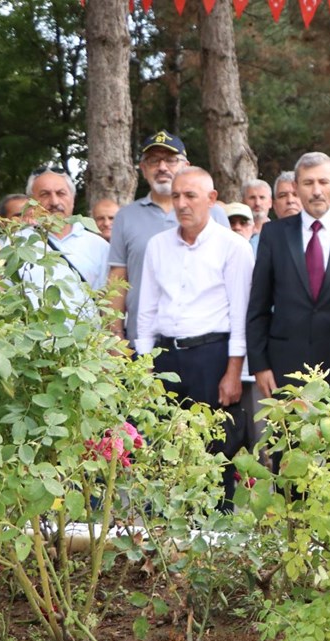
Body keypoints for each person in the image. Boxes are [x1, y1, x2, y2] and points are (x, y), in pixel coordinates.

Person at [134, 168, 254, 504]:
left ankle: (217, 536)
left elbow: (241, 314)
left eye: (191, 196)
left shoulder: (233, 247)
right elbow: (147, 308)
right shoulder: (157, 245)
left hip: (211, 357)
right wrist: (144, 364)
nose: (182, 204)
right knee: (162, 445)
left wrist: (233, 372)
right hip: (165, 356)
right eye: (176, 196)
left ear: (212, 199)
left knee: (214, 450)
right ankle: (162, 533)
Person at [246, 151, 330, 397]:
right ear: (296, 188)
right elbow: (258, 307)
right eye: (308, 183)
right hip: (285, 370)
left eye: (323, 182)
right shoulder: (273, 236)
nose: (316, 191)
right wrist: (260, 365)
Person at [107, 131, 229, 345]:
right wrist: (115, 338)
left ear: (186, 166)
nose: (162, 167)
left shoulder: (214, 214)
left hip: (204, 342)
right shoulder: (126, 217)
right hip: (141, 340)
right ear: (143, 169)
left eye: (171, 160)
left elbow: (231, 282)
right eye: (154, 161)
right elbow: (117, 280)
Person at [26, 167, 110, 291]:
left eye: (61, 193)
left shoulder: (99, 247)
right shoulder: (17, 244)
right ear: (31, 202)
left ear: (73, 199)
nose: (54, 202)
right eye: (45, 194)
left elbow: (108, 302)